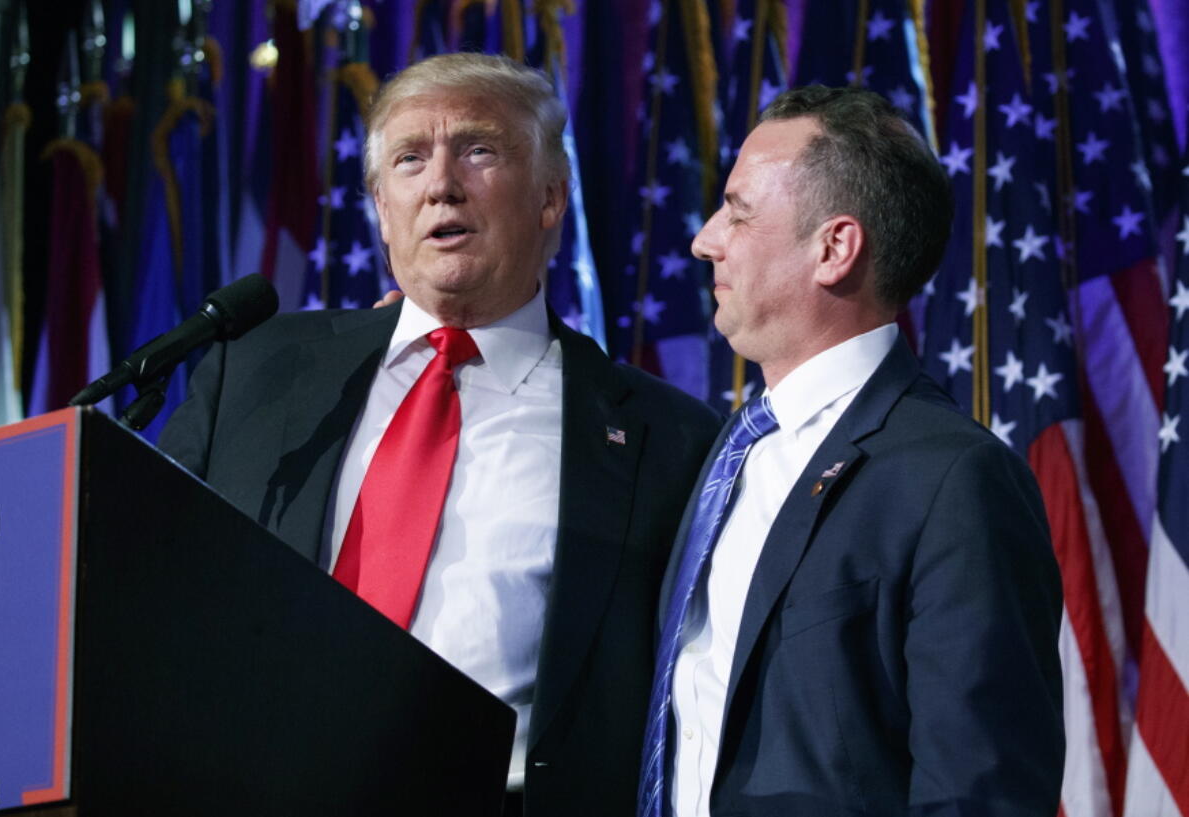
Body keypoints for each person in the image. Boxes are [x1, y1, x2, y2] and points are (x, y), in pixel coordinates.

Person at [159, 53, 722, 817]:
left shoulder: (669, 439)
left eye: (479, 150)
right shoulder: (255, 369)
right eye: (410, 159)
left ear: (552, 196)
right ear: (382, 208)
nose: (441, 184)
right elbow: (149, 576)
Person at [637, 86, 1065, 817]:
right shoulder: (722, 453)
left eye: (738, 211)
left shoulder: (955, 481)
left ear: (834, 248)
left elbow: (979, 792)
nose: (705, 239)